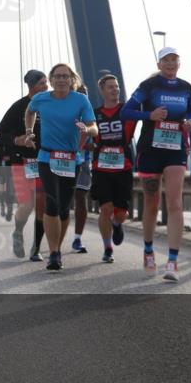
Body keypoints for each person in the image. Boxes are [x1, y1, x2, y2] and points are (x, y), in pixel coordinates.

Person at [121, 47, 191, 282]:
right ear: (159, 64)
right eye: (167, 60)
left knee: (174, 202)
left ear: (179, 63)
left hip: (175, 149)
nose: (171, 63)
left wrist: (190, 122)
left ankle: (172, 262)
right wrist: (149, 116)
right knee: (152, 203)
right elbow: (126, 112)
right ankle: (148, 250)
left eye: (175, 59)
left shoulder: (186, 87)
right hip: (151, 150)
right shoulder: (149, 86)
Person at [24, 63, 97, 271]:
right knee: (52, 202)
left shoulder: (81, 100)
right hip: (47, 157)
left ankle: (56, 246)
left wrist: (87, 128)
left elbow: (95, 128)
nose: (61, 80)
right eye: (57, 76)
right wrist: (29, 131)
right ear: (52, 79)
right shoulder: (41, 99)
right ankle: (54, 252)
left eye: (65, 76)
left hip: (72, 159)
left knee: (64, 207)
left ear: (71, 79)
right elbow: (29, 112)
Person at [0, 70, 48, 260]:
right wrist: (18, 140)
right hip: (21, 161)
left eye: (46, 82)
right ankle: (18, 232)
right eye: (42, 83)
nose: (46, 86)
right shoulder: (19, 106)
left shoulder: (50, 103)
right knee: (27, 205)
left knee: (41, 203)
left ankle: (37, 248)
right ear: (31, 86)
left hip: (44, 161)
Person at [90, 73, 137, 263]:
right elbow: (87, 134)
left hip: (123, 166)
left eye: (117, 87)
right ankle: (107, 247)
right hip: (101, 167)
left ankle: (117, 225)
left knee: (121, 213)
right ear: (102, 91)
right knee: (105, 208)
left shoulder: (127, 110)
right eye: (110, 87)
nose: (115, 90)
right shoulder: (94, 114)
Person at [70, 84, 93, 254]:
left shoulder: (91, 116)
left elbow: (100, 139)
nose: (82, 97)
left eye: (84, 94)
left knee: (80, 199)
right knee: (59, 201)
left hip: (83, 163)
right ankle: (54, 234)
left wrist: (88, 144)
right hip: (62, 162)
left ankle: (77, 238)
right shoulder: (64, 113)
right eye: (78, 94)